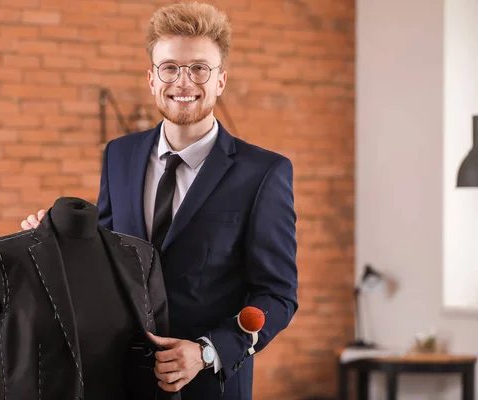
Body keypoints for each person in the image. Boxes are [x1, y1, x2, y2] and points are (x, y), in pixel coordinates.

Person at [20, 2, 298, 400]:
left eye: (199, 68)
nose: (183, 82)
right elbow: (108, 255)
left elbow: (277, 294)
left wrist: (207, 351)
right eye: (170, 68)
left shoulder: (264, 172)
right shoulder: (119, 154)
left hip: (210, 387)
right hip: (119, 379)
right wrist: (53, 242)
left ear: (220, 80)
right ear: (152, 79)